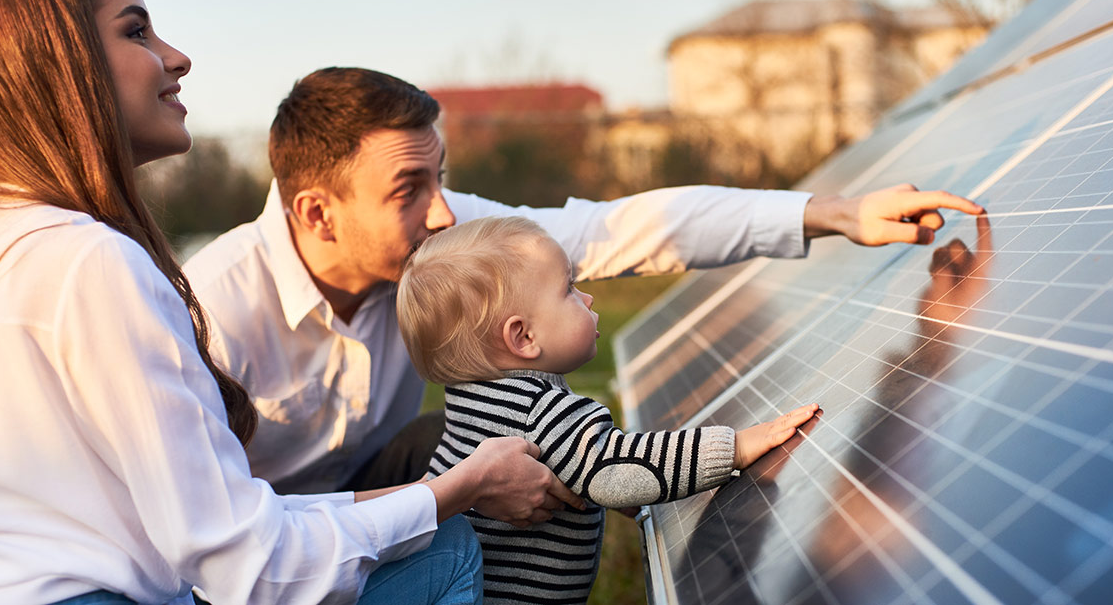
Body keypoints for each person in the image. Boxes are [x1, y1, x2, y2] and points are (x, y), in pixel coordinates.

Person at [0, 0, 577, 605]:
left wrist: (440, 489)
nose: (176, 56)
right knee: (444, 552)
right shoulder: (92, 263)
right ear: (55, 66)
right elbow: (249, 569)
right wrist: (454, 494)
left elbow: (217, 528)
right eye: (136, 30)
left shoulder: (7, 243)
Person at [185, 66, 986, 496]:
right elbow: (210, 537)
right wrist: (446, 500)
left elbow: (616, 229)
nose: (442, 217)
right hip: (259, 554)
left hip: (374, 489)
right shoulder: (212, 313)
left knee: (512, 437)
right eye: (408, 193)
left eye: (442, 179)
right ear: (318, 215)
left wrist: (832, 213)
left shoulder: (441, 236)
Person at [395, 216, 821, 603]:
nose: (588, 297)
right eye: (568, 289)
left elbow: (580, 467)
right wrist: (737, 447)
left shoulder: (472, 400)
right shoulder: (540, 412)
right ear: (523, 338)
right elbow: (617, 466)